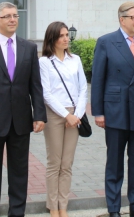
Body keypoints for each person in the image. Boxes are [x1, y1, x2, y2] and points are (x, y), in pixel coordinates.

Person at [0, 2, 47, 217]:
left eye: (15, 15)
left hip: (21, 121)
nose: (13, 19)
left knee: (19, 173)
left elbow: (35, 85)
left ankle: (17, 213)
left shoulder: (29, 48)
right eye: (7, 16)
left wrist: (39, 114)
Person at [91, 1, 134, 217]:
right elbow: (98, 78)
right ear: (122, 19)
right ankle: (113, 209)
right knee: (115, 163)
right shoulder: (106, 42)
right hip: (116, 110)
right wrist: (98, 112)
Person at [39, 22, 88, 217]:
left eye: (67, 35)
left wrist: (77, 115)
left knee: (67, 163)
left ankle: (63, 206)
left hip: (75, 115)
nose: (66, 38)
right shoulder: (44, 62)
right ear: (52, 39)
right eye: (62, 36)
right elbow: (47, 94)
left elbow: (83, 88)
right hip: (54, 114)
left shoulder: (75, 59)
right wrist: (66, 115)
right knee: (54, 162)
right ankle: (53, 207)